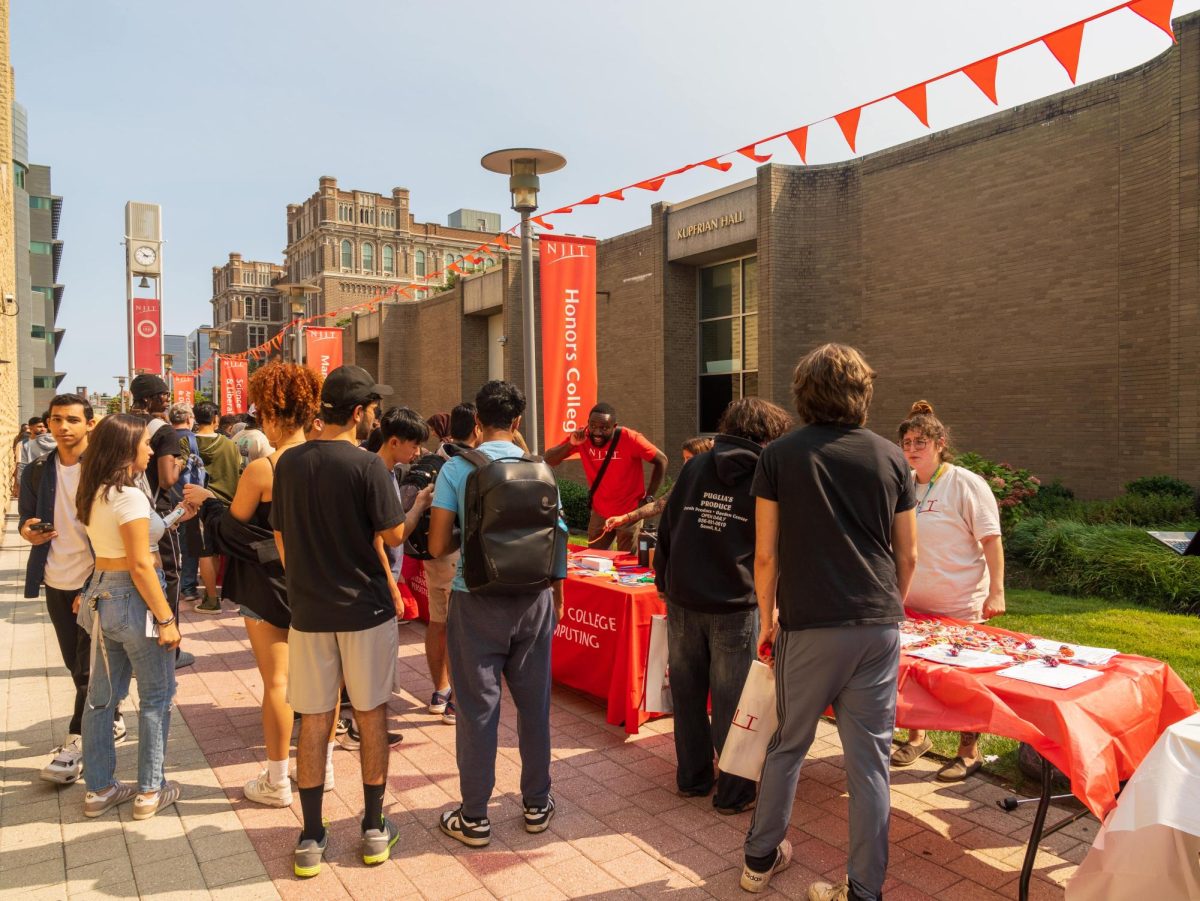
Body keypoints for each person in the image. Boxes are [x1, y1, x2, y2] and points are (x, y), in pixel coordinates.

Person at [740, 344, 918, 900]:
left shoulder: (779, 456)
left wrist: (765, 617)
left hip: (810, 622)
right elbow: (907, 554)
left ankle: (759, 859)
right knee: (870, 763)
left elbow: (764, 554)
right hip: (877, 622)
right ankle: (864, 890)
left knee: (788, 744)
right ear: (863, 392)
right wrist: (894, 604)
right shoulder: (892, 457)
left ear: (803, 392)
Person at [271, 365, 431, 877]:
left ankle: (312, 835)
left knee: (315, 721)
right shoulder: (366, 467)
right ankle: (372, 827)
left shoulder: (289, 463)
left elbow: (281, 538)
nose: (376, 419)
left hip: (309, 611)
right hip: (365, 611)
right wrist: (419, 506)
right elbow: (392, 536)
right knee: (370, 716)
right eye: (374, 411)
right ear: (360, 413)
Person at [428, 380, 566, 848]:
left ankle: (474, 818)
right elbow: (558, 534)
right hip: (534, 600)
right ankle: (535, 804)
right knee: (535, 708)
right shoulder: (540, 468)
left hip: (477, 598)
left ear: (477, 421)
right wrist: (557, 596)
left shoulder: (457, 469)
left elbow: (436, 544)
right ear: (519, 421)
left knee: (477, 712)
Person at [185, 363, 322, 807]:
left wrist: (208, 503)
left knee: (278, 683)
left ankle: (278, 780)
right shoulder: (330, 460)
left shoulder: (264, 469)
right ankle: (324, 769)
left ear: (272, 414)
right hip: (322, 585)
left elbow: (230, 529)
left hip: (269, 584)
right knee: (324, 681)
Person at [655, 399, 792, 815]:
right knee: (735, 703)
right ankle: (734, 793)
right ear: (769, 435)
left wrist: (664, 580)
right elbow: (773, 547)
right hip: (736, 601)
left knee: (688, 692)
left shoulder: (696, 465)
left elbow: (668, 526)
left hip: (683, 598)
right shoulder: (768, 473)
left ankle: (692, 778)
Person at [76, 414, 188, 820]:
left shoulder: (94, 491)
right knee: (157, 697)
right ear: (126, 449)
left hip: (101, 594)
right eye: (144, 443)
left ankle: (100, 788)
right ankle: (149, 791)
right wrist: (166, 619)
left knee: (101, 700)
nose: (150, 449)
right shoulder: (129, 495)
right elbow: (141, 564)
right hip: (133, 596)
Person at [889, 400, 1005, 782]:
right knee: (913, 677)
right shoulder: (903, 484)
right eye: (906, 442)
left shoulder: (965, 483)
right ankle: (917, 737)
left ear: (940, 443)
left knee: (962, 681)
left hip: (959, 603)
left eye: (919, 441)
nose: (911, 449)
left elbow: (991, 539)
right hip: (912, 601)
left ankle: (968, 751)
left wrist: (997, 591)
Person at [18, 394, 126, 784]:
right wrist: (28, 531)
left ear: (90, 424)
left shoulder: (106, 471)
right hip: (54, 580)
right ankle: (110, 716)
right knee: (74, 664)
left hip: (94, 581)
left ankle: (76, 745)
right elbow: (25, 521)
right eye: (56, 419)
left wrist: (96, 583)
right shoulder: (36, 470)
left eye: (72, 420)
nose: (63, 427)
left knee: (87, 669)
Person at [423, 402, 481, 726]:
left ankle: (439, 692)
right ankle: (455, 702)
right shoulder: (468, 465)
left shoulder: (437, 456)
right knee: (462, 629)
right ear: (477, 427)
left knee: (437, 621)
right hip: (455, 551)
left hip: (436, 558)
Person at [543, 402, 667, 552]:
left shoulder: (630, 438)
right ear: (588, 423)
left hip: (629, 513)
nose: (597, 432)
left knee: (627, 567)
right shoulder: (582, 437)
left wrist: (649, 497)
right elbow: (549, 460)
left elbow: (661, 460)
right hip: (600, 512)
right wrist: (571, 444)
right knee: (595, 561)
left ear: (614, 426)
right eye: (593, 426)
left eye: (604, 428)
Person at [129, 374, 191, 669]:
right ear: (147, 399)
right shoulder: (164, 432)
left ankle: (135, 651)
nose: (167, 399)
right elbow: (167, 479)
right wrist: (180, 462)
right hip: (158, 511)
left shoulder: (120, 424)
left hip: (124, 509)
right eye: (162, 395)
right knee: (169, 574)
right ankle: (170, 648)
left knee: (133, 576)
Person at [190, 402, 242, 614]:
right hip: (225, 504)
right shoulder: (230, 445)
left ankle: (211, 599)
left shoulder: (188, 442)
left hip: (198, 503)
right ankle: (214, 593)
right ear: (215, 420)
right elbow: (237, 472)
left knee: (205, 552)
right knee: (218, 552)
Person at [603, 436, 715, 532]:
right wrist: (624, 518)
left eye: (689, 458)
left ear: (702, 457)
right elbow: (657, 506)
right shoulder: (685, 481)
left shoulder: (717, 483)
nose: (685, 463)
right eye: (684, 458)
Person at [19, 413, 57, 477]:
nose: (43, 429)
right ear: (30, 428)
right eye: (39, 427)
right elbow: (22, 465)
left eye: (45, 427)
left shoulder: (58, 442)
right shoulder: (24, 444)